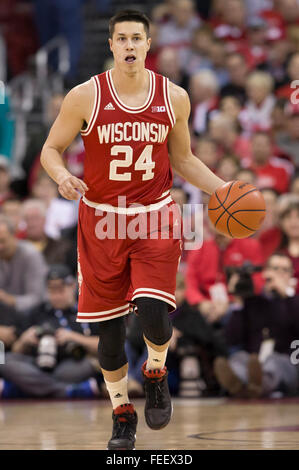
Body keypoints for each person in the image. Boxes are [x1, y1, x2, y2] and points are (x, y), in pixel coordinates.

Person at [40, 10, 225, 450]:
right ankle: (122, 413)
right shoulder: (85, 96)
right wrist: (62, 176)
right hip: (101, 219)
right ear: (110, 44)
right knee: (109, 334)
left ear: (147, 44)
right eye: (120, 37)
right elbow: (51, 148)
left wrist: (224, 189)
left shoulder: (174, 96)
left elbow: (182, 160)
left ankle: (156, 371)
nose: (128, 45)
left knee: (153, 312)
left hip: (154, 214)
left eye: (135, 38)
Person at [0, 264, 100, 399]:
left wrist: (74, 337)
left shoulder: (89, 309)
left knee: (78, 368)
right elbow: (16, 350)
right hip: (38, 363)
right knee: (4, 360)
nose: (56, 296)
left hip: (73, 361)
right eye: (52, 291)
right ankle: (66, 391)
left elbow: (105, 346)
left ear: (73, 286)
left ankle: (26, 389)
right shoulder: (37, 312)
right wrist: (24, 340)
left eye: (61, 290)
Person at [214, 253, 299, 398]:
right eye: (275, 268)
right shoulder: (253, 302)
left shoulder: (294, 301)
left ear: (291, 274)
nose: (279, 274)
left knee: (274, 361)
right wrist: (238, 301)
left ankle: (246, 385)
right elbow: (232, 338)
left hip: (288, 362)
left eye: (284, 270)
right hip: (255, 360)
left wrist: (286, 295)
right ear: (265, 272)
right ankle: (244, 386)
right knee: (239, 358)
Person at [0, 214, 47, 313]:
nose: (1, 247)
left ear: (14, 235)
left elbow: (38, 298)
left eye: (3, 241)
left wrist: (8, 299)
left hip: (30, 316)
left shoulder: (30, 255)